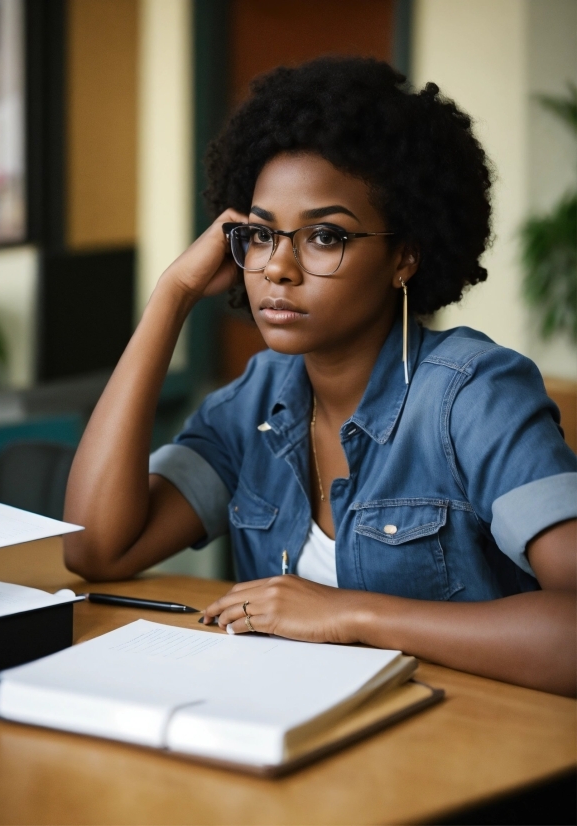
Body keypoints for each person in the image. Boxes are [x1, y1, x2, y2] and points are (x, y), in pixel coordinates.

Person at [63, 57, 576, 696]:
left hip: (467, 757)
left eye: (324, 237)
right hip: (294, 743)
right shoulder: (254, 401)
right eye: (259, 234)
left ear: (404, 257)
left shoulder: (474, 396)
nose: (278, 266)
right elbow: (93, 552)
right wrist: (172, 295)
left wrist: (352, 615)